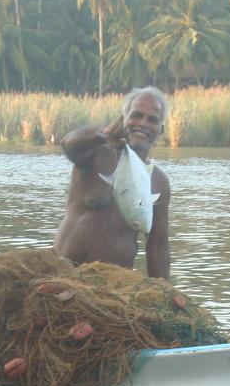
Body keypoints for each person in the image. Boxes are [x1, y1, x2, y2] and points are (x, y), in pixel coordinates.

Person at [53, 87, 171, 279]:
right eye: (136, 116)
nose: (143, 124)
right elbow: (69, 145)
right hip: (64, 274)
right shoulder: (97, 152)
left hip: (115, 285)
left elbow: (157, 245)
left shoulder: (159, 182)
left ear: (161, 131)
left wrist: (165, 293)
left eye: (152, 120)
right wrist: (101, 136)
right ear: (123, 120)